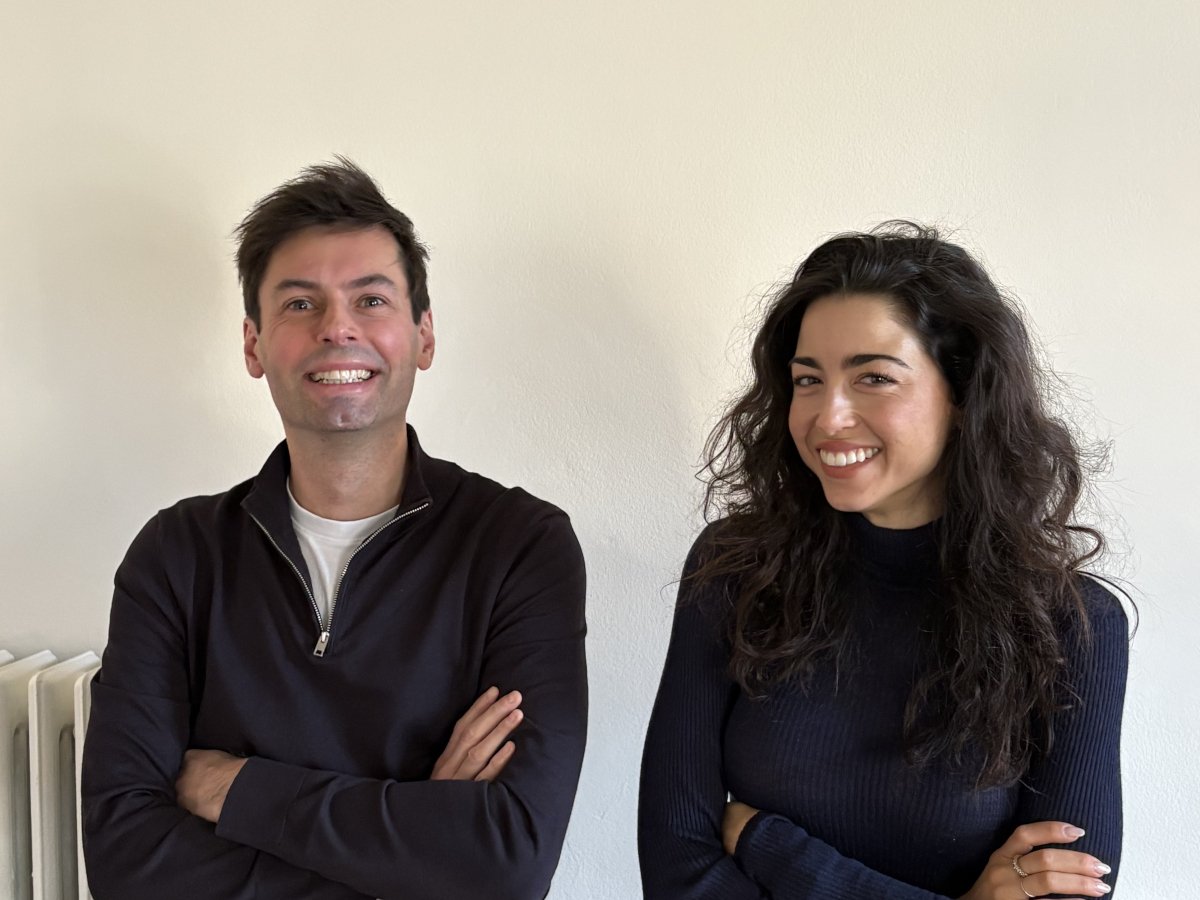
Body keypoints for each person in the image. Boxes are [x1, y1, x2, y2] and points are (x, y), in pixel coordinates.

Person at [81, 159, 588, 900]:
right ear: (254, 346)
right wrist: (417, 845)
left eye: (371, 299)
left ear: (423, 336)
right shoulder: (175, 557)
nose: (337, 328)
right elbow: (126, 862)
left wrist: (243, 791)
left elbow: (507, 863)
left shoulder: (519, 547)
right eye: (299, 304)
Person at [638, 223, 1128, 899]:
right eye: (808, 379)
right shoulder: (736, 571)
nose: (827, 416)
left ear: (961, 396)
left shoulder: (1073, 623)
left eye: (874, 377)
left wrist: (769, 846)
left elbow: (1067, 890)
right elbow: (676, 871)